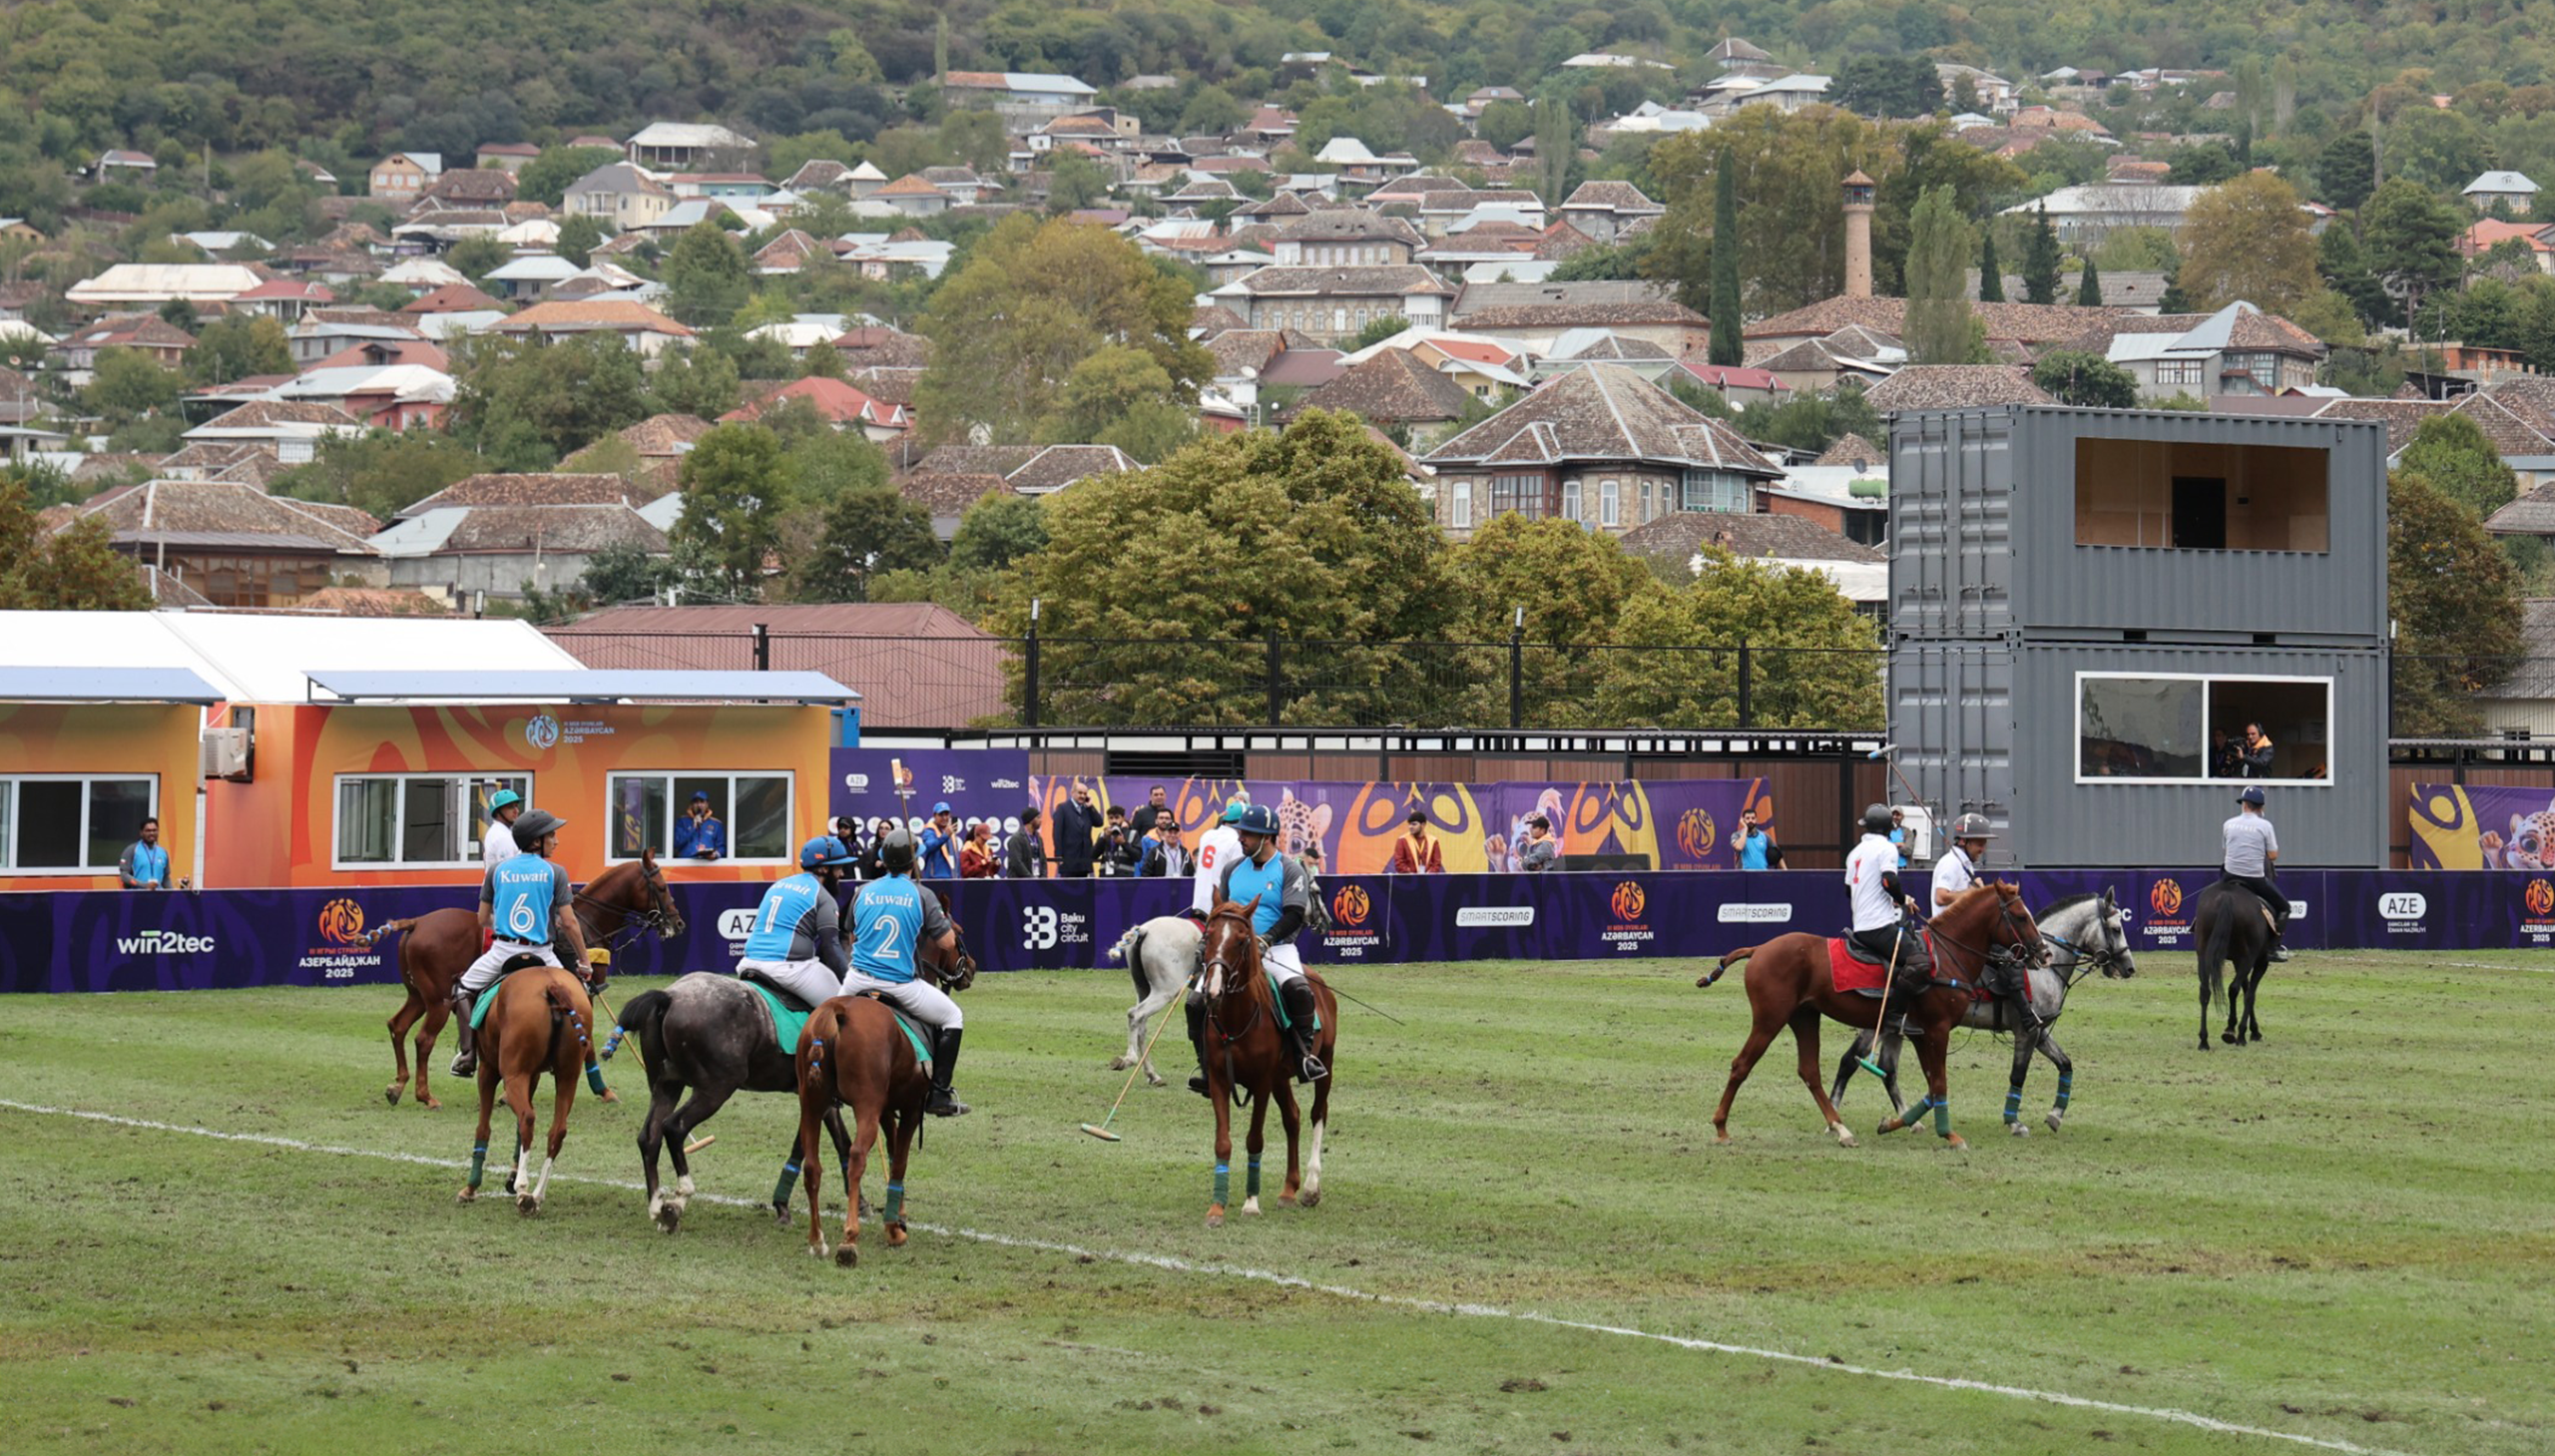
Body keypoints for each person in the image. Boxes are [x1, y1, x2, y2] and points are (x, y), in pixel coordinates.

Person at [1189, 803, 1327, 1095]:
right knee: (1195, 1002)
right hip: (1232, 951)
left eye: (1248, 834)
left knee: (1299, 990)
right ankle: (1205, 1066)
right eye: (1241, 833)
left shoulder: (1290, 870)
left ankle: (1304, 1058)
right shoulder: (1231, 869)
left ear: (1267, 837)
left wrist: (1266, 938)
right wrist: (1208, 944)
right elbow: (1220, 911)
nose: (1241, 838)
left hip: (1276, 947)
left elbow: (1293, 913)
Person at [450, 808, 591, 1077]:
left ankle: (468, 1054)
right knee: (578, 995)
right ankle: (572, 1051)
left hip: (503, 951)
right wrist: (584, 962)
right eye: (552, 836)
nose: (556, 841)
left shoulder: (497, 871)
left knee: (462, 989)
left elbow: (482, 919)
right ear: (536, 841)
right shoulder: (556, 872)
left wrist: (506, 926)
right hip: (544, 954)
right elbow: (570, 923)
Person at [842, 828, 972, 1116]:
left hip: (857, 979)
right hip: (900, 984)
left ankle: (825, 1081)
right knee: (953, 1017)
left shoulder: (862, 891)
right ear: (913, 863)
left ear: (884, 860)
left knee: (825, 1019)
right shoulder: (921, 894)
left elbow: (851, 939)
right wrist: (932, 916)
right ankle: (939, 1094)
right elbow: (947, 943)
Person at [735, 835, 856, 1009]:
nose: (841, 874)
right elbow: (831, 947)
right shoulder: (822, 896)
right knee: (846, 1010)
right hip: (789, 970)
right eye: (838, 868)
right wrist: (852, 984)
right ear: (823, 869)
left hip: (747, 963)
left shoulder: (778, 885)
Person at [1845, 803, 1930, 1028]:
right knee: (1920, 961)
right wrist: (1903, 900)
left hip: (1860, 924)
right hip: (1878, 925)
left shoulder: (1855, 852)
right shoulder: (1887, 848)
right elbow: (1889, 881)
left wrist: (1889, 896)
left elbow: (1849, 891)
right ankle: (1894, 1016)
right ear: (1887, 828)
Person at [2223, 785, 2292, 961]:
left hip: (2229, 876)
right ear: (2261, 808)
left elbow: (2227, 848)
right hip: (2254, 879)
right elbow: (2273, 855)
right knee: (2284, 907)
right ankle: (2273, 947)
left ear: (2244, 805)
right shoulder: (2265, 825)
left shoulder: (2228, 824)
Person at [1189, 797, 1249, 919]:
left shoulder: (1207, 835)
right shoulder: (1236, 842)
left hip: (1198, 904)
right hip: (1217, 910)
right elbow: (1238, 880)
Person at [1054, 783, 1102, 877]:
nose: (1082, 796)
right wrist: (1058, 855)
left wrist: (1091, 806)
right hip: (1069, 858)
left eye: (1085, 794)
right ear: (1072, 793)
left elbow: (1099, 823)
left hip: (1084, 859)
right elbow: (1057, 833)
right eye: (1080, 793)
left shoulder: (1087, 809)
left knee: (1084, 889)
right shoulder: (1062, 808)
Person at [481, 789, 525, 874]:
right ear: (498, 812)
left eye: (516, 806)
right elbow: (509, 875)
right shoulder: (501, 837)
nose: (516, 811)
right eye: (510, 807)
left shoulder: (501, 832)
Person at [119, 815, 170, 890]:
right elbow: (124, 876)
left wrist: (173, 893)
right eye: (148, 831)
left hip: (159, 897)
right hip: (137, 896)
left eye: (154, 830)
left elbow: (165, 878)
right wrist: (144, 885)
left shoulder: (163, 852)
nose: (152, 833)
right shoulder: (132, 850)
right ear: (141, 832)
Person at [674, 791, 727, 860]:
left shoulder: (716, 824)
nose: (699, 805)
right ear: (691, 805)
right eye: (696, 802)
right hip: (686, 865)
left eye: (702, 802)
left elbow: (722, 847)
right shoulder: (682, 821)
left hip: (708, 865)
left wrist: (715, 855)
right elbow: (676, 843)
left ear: (707, 804)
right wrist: (693, 827)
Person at [1390, 809, 1445, 873]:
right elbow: (1399, 862)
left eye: (1414, 824)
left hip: (1428, 880)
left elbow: (1437, 863)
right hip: (1408, 880)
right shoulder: (1402, 840)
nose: (1410, 827)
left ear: (1423, 825)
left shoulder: (1433, 841)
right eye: (1409, 824)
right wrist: (1411, 875)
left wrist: (1429, 874)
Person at [918, 801, 960, 879]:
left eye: (946, 814)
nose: (944, 818)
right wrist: (945, 836)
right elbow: (928, 846)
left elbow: (955, 857)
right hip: (935, 878)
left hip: (952, 877)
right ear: (934, 816)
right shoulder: (929, 831)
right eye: (941, 815)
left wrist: (958, 876)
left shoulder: (951, 831)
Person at [1004, 806, 1044, 878]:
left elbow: (1043, 860)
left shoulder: (1038, 838)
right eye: (1038, 818)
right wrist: (1029, 877)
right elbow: (1016, 862)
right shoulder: (1016, 839)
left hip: (1036, 881)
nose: (1040, 820)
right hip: (1020, 883)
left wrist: (1043, 878)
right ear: (1031, 820)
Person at [1097, 804, 1134, 876]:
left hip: (1125, 876)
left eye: (1117, 818)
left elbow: (1137, 857)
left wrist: (1123, 843)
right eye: (1111, 818)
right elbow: (1093, 855)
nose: (1114, 821)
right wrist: (1103, 838)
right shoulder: (1103, 834)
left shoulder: (1132, 834)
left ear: (1123, 818)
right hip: (1106, 876)